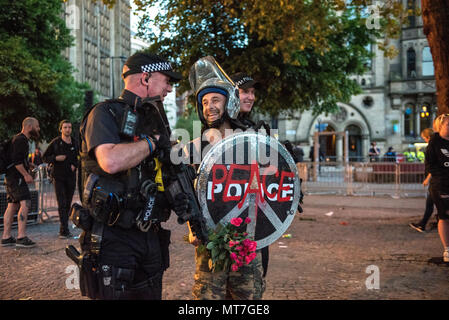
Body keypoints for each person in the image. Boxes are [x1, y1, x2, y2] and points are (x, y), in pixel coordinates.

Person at [78, 51, 187, 299]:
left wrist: (176, 197)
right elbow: (111, 160)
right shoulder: (105, 113)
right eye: (167, 80)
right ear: (146, 78)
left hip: (150, 236)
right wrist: (153, 143)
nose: (169, 88)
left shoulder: (155, 121)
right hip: (115, 238)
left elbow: (161, 174)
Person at [187, 67, 263, 300]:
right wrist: (193, 229)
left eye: (216, 100)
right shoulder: (196, 146)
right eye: (205, 102)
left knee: (246, 297)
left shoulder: (253, 138)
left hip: (246, 238)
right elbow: (189, 191)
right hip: (211, 238)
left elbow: (268, 183)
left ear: (228, 102)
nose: (209, 106)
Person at [1, 117, 40, 248]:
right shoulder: (21, 140)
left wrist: (28, 164)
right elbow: (17, 162)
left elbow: (16, 159)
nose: (38, 129)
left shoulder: (17, 139)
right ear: (29, 126)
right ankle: (21, 236)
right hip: (16, 177)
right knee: (26, 203)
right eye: (37, 126)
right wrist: (26, 174)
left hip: (10, 177)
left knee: (12, 205)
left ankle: (6, 237)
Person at [43, 120, 79, 238]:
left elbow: (80, 156)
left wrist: (75, 164)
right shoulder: (55, 143)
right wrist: (55, 158)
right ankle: (63, 230)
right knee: (62, 203)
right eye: (65, 127)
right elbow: (45, 157)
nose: (68, 129)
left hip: (71, 177)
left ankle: (65, 227)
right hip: (58, 177)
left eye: (69, 127)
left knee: (68, 203)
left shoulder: (75, 143)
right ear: (61, 129)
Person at [425, 114, 449, 262]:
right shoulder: (434, 143)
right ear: (440, 126)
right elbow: (430, 166)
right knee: (445, 215)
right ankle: (447, 249)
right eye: (448, 125)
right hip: (441, 185)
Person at [409, 128, 436, 233]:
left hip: (435, 181)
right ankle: (423, 223)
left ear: (428, 137)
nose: (424, 140)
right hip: (436, 180)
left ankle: (423, 224)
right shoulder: (435, 146)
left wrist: (427, 179)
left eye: (424, 138)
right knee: (432, 203)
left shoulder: (432, 147)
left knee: (431, 203)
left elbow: (434, 166)